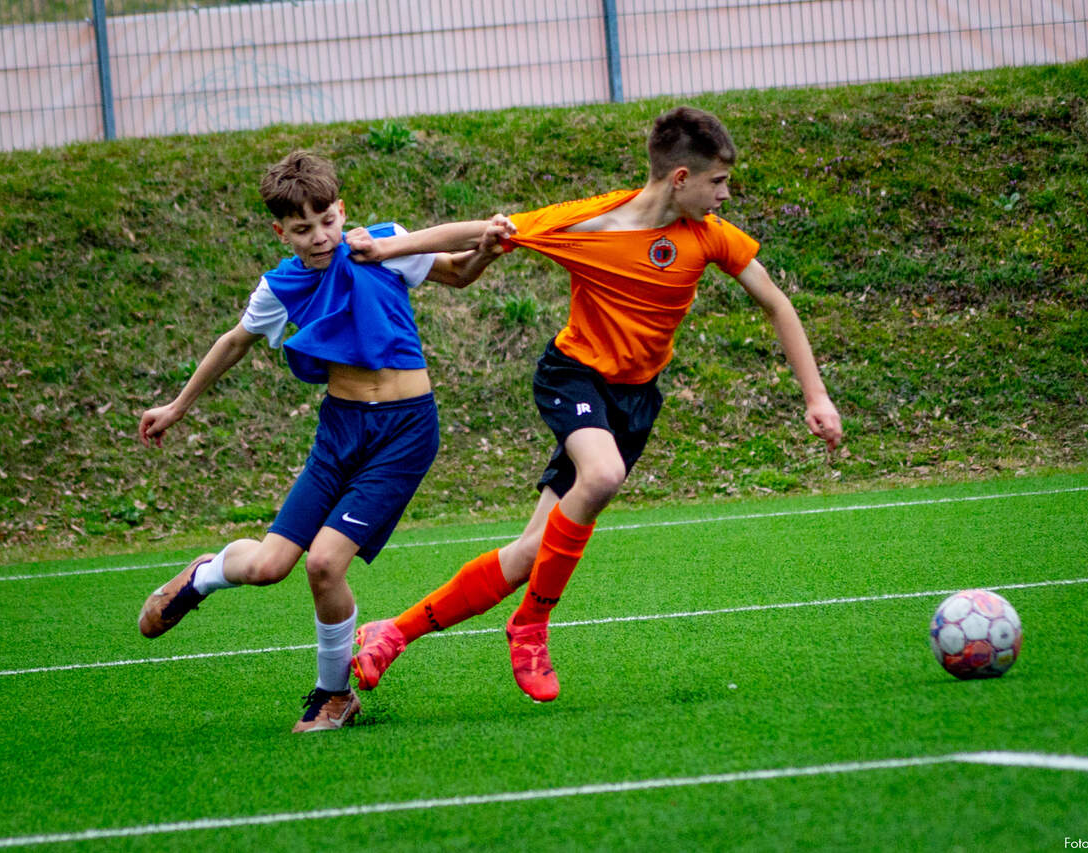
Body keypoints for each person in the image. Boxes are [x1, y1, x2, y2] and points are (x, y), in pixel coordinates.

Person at [345, 106, 843, 703]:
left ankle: (393, 633)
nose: (725, 195)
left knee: (531, 552)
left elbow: (777, 304)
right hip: (573, 376)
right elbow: (481, 228)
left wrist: (816, 396)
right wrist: (385, 247)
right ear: (680, 178)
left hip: (634, 401)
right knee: (602, 475)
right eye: (718, 182)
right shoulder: (593, 223)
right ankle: (531, 624)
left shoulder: (710, 236)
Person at [136, 150, 511, 732]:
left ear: (342, 210)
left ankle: (334, 694)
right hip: (340, 431)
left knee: (324, 565)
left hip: (405, 433)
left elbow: (459, 271)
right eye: (302, 228)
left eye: (327, 221)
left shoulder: (381, 246)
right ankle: (205, 574)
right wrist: (177, 406)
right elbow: (234, 342)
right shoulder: (280, 285)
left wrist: (485, 246)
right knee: (267, 566)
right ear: (280, 232)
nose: (319, 237)